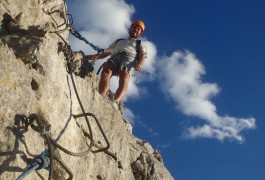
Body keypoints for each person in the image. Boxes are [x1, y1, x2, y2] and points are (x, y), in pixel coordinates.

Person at [86, 20, 147, 105]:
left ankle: (115, 102)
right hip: (116, 55)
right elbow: (104, 54)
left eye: (138, 29)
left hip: (129, 57)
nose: (136, 30)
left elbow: (142, 55)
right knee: (106, 70)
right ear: (131, 28)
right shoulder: (119, 41)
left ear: (140, 33)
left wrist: (139, 64)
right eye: (134, 27)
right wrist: (86, 57)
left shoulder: (139, 43)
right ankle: (101, 95)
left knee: (124, 76)